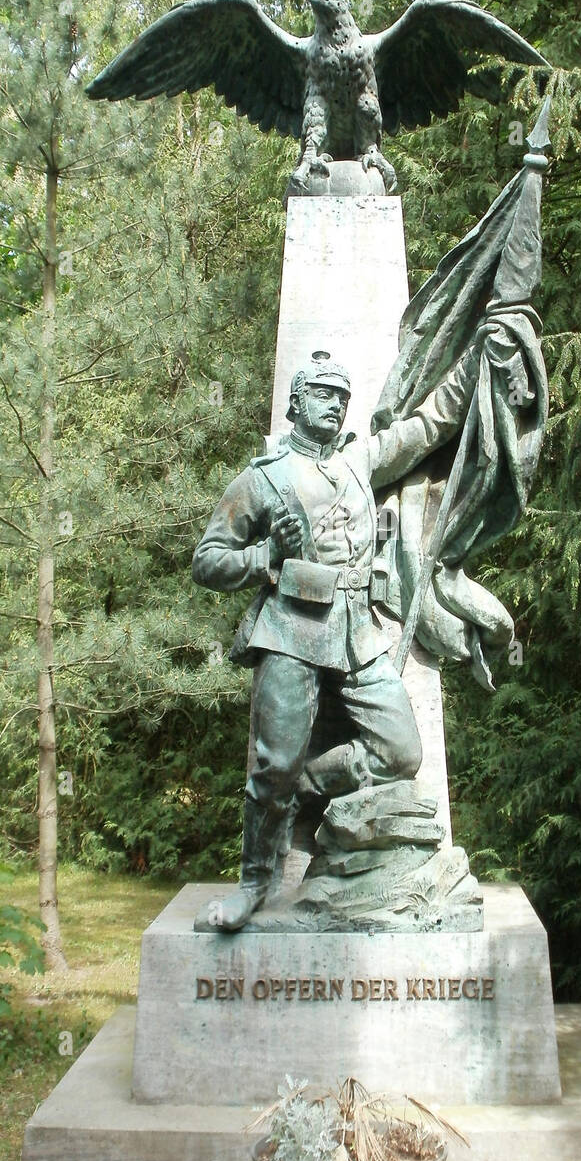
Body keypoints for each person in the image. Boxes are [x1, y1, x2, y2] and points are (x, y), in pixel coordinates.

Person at [192, 348, 476, 930]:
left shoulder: (356, 464)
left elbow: (425, 427)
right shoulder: (261, 478)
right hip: (290, 631)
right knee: (270, 766)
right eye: (323, 392)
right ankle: (253, 884)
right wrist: (266, 555)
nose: (336, 403)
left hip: (356, 633)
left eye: (342, 395)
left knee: (400, 751)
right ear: (295, 402)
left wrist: (478, 361)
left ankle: (306, 786)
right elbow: (206, 562)